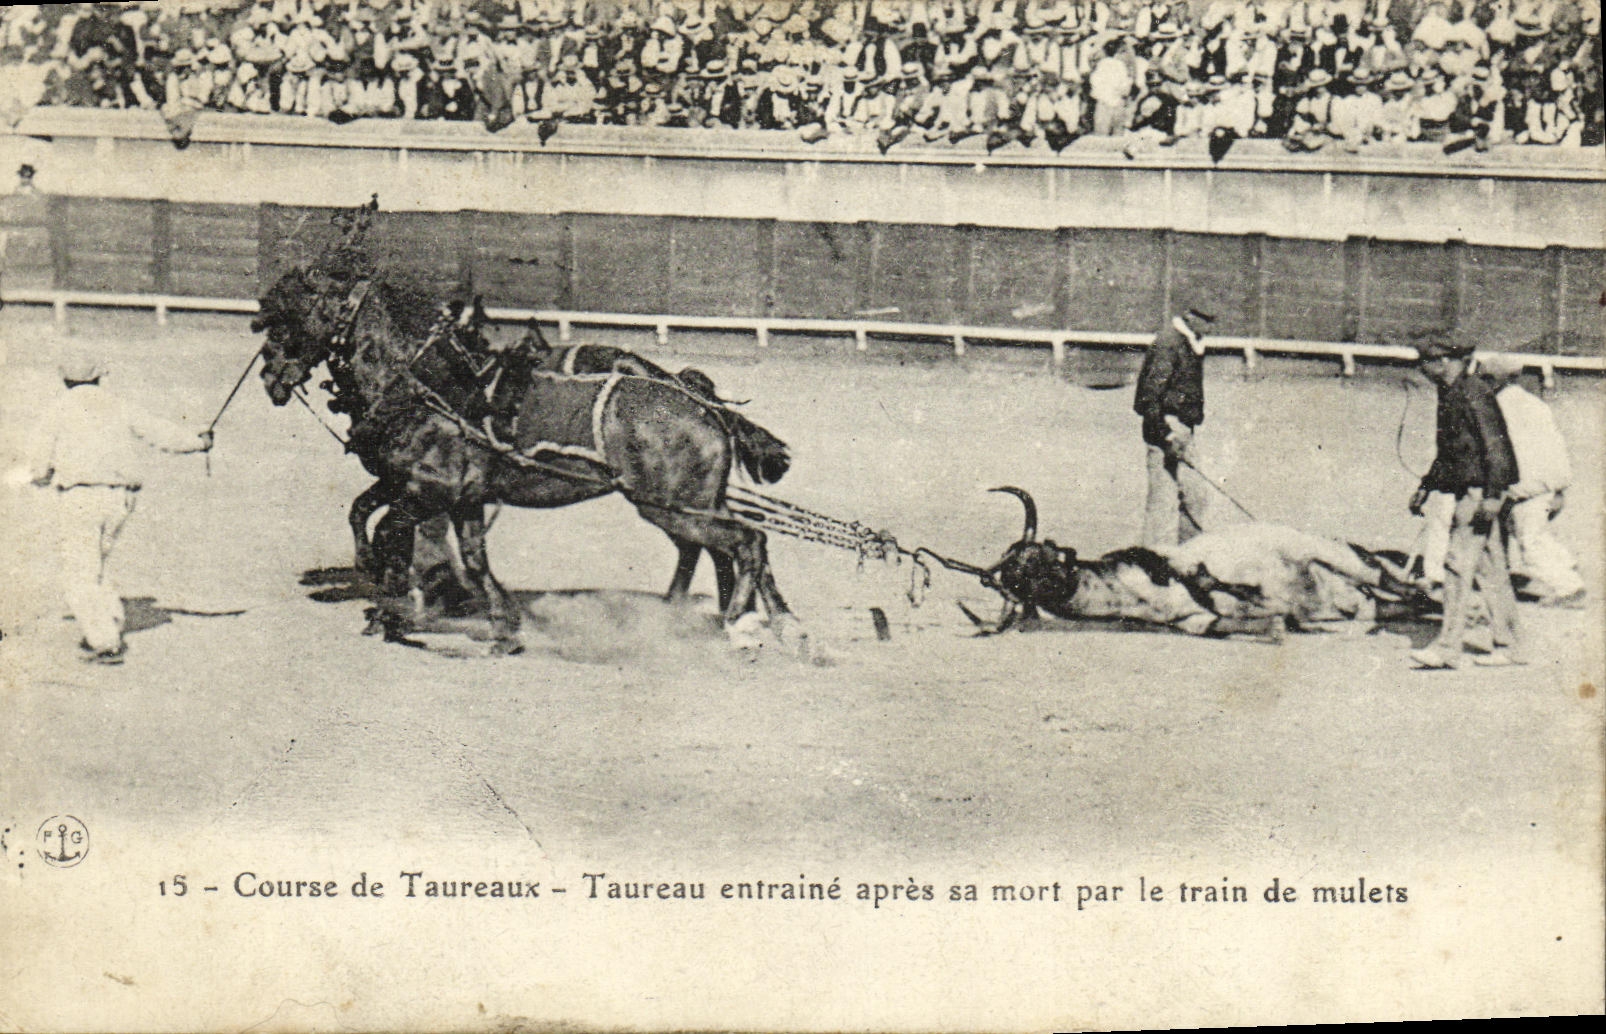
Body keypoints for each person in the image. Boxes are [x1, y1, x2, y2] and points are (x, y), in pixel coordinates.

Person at [28, 351, 213, 664]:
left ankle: (105, 642)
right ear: (100, 376)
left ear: (64, 379)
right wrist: (199, 442)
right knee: (97, 567)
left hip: (79, 498)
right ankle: (105, 628)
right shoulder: (119, 405)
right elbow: (160, 433)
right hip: (120, 501)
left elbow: (39, 467)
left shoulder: (57, 410)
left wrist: (41, 478)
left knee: (80, 572)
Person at [1407, 335, 1522, 670]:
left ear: (1444, 361)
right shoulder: (1453, 393)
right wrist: (1426, 487)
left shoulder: (1473, 393)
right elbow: (1450, 451)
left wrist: (1493, 495)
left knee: (1457, 566)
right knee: (1491, 570)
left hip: (1478, 493)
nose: (1422, 368)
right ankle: (1511, 645)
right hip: (1472, 491)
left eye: (1425, 361)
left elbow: (1497, 448)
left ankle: (1447, 648)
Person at [1477, 354, 1585, 607]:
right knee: (1530, 533)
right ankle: (1566, 563)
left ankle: (1569, 587)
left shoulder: (1498, 407)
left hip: (1525, 486)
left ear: (1495, 380)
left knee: (1530, 542)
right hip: (1546, 482)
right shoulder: (1534, 403)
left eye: (1485, 378)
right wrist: (1558, 488)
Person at [1133, 306, 1215, 548]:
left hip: (1183, 430)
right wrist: (1166, 436)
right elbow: (1149, 398)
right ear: (1191, 318)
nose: (1211, 328)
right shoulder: (1169, 343)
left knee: (1196, 496)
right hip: (1165, 430)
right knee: (1163, 502)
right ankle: (1155, 564)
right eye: (1207, 321)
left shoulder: (1188, 343)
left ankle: (1188, 558)